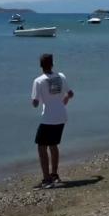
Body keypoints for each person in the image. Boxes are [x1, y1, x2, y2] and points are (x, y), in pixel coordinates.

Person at [31, 53, 74, 189]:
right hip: (61, 116)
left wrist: (34, 100)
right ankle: (54, 174)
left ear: (41, 66)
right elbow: (71, 93)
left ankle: (46, 179)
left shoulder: (38, 81)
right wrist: (64, 101)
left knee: (41, 146)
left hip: (48, 118)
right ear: (52, 64)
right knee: (53, 145)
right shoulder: (61, 77)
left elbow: (35, 103)